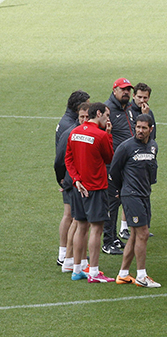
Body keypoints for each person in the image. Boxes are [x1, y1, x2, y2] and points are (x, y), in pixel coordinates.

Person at [65, 102, 115, 283]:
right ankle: (94, 272)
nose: (108, 119)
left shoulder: (75, 131)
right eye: (106, 116)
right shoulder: (100, 135)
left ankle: (77, 269)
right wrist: (109, 135)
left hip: (79, 188)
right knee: (96, 229)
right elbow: (109, 158)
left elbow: (68, 158)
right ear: (99, 113)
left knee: (81, 227)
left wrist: (76, 179)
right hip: (96, 188)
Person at [110, 114, 160, 288]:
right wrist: (120, 191)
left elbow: (152, 170)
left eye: (144, 128)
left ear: (150, 129)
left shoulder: (153, 146)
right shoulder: (126, 147)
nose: (140, 130)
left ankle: (123, 274)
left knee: (134, 235)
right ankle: (141, 276)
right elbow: (114, 171)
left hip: (144, 195)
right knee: (143, 234)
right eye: (138, 127)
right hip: (131, 195)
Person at [54, 90, 90, 265]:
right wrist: (62, 179)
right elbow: (60, 159)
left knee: (72, 217)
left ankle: (69, 254)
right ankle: (66, 255)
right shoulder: (70, 128)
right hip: (71, 178)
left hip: (70, 177)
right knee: (72, 217)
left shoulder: (67, 123)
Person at [119, 82, 157, 240]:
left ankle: (141, 227)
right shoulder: (126, 111)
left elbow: (153, 137)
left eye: (145, 98)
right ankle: (123, 228)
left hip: (144, 158)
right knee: (128, 193)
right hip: (128, 157)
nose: (142, 100)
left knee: (140, 193)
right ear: (133, 96)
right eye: (139, 97)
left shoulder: (148, 113)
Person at [103, 77, 135, 255]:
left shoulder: (128, 108)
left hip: (126, 165)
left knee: (119, 200)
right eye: (123, 89)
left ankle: (114, 237)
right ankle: (107, 241)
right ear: (114, 90)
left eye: (128, 90)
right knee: (112, 203)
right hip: (113, 165)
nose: (126, 93)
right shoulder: (107, 110)